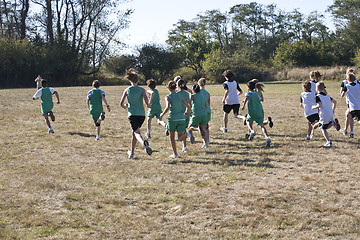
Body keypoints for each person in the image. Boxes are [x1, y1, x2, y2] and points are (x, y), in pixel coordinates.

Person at [120, 69, 152, 159]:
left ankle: (144, 144)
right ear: (138, 80)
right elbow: (146, 102)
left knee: (137, 133)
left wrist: (126, 106)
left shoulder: (127, 90)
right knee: (134, 132)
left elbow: (121, 104)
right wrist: (149, 104)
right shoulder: (142, 89)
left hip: (132, 114)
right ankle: (132, 153)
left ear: (130, 80)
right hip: (142, 115)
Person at [160, 80, 190, 158]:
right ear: (176, 87)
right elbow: (188, 107)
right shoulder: (180, 96)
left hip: (172, 119)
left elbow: (167, 107)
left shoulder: (168, 97)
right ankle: (188, 134)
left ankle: (175, 154)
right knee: (180, 137)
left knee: (172, 137)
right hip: (181, 118)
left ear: (168, 88)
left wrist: (162, 115)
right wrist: (186, 113)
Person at [241, 80, 271, 147]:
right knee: (262, 126)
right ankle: (267, 137)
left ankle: (252, 131)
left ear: (248, 87)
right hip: (260, 111)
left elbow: (246, 99)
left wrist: (243, 106)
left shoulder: (248, 94)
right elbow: (260, 99)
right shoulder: (257, 94)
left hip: (252, 111)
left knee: (248, 121)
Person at [312, 81, 341, 147]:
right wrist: (333, 110)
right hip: (330, 113)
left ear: (317, 88)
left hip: (324, 114)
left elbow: (320, 105)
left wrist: (313, 107)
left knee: (323, 129)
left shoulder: (317, 96)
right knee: (325, 124)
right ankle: (333, 123)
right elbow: (335, 102)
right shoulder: (327, 96)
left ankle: (328, 142)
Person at [189, 84, 209, 148]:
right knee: (203, 128)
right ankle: (205, 143)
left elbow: (189, 103)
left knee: (190, 127)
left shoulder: (193, 96)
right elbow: (206, 105)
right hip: (204, 114)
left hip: (196, 114)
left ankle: (197, 129)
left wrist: (190, 109)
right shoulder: (203, 96)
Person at [340, 73, 360, 138]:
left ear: (348, 79)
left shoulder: (347, 86)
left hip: (352, 107)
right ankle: (346, 130)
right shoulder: (358, 85)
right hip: (359, 105)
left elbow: (342, 95)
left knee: (350, 117)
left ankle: (351, 131)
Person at [176, 79, 192, 152]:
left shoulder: (177, 94)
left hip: (180, 114)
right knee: (183, 129)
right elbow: (189, 103)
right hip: (187, 113)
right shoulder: (186, 93)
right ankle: (184, 147)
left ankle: (185, 146)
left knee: (181, 132)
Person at [339, 68, 356, 137]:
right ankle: (346, 130)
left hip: (352, 102)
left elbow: (341, 93)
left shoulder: (345, 82)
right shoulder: (356, 82)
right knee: (348, 115)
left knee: (349, 115)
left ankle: (348, 130)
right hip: (351, 102)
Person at [198, 78, 211, 145]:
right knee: (206, 126)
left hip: (201, 111)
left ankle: (205, 142)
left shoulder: (198, 92)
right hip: (207, 111)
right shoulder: (207, 93)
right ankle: (208, 139)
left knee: (201, 127)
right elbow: (208, 104)